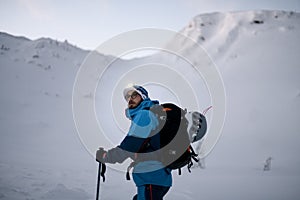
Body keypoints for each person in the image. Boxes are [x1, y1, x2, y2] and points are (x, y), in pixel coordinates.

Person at [96, 85, 172, 200]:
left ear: (143, 97)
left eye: (134, 95)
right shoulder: (149, 114)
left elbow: (131, 145)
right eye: (127, 97)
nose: (130, 99)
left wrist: (107, 156)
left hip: (151, 176)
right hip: (157, 176)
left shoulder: (144, 115)